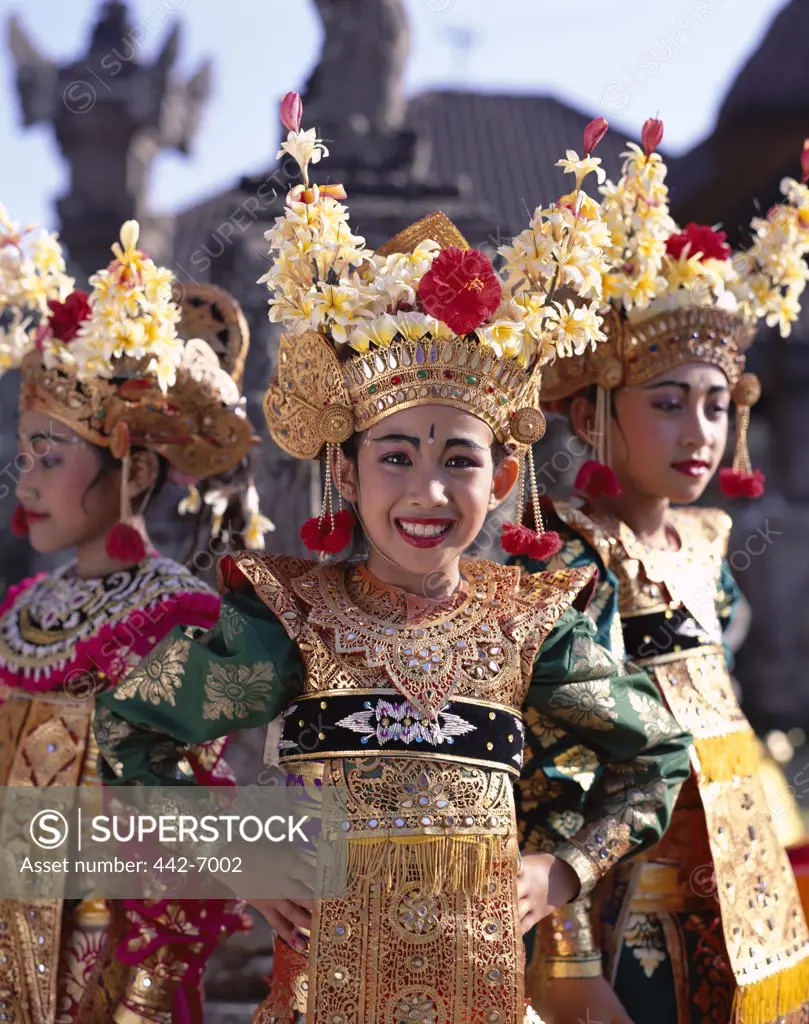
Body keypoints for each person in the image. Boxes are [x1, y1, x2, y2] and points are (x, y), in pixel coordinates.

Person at [93, 97, 691, 1024]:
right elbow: (135, 726)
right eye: (395, 457)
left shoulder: (535, 623)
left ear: (499, 482)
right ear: (344, 470)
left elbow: (652, 752)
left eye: (458, 459)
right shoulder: (285, 621)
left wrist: (563, 869)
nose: (426, 491)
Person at [511, 121, 809, 1023]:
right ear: (595, 416)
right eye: (668, 402)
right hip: (625, 905)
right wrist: (565, 958)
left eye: (716, 405)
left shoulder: (711, 543)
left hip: (745, 886)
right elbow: (547, 773)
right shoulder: (572, 558)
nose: (698, 433)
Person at [0, 209, 263, 1022]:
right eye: (25, 455)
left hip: (113, 981)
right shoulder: (21, 611)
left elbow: (193, 828)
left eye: (53, 458)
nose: (29, 483)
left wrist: (140, 997)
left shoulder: (178, 616)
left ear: (136, 468)